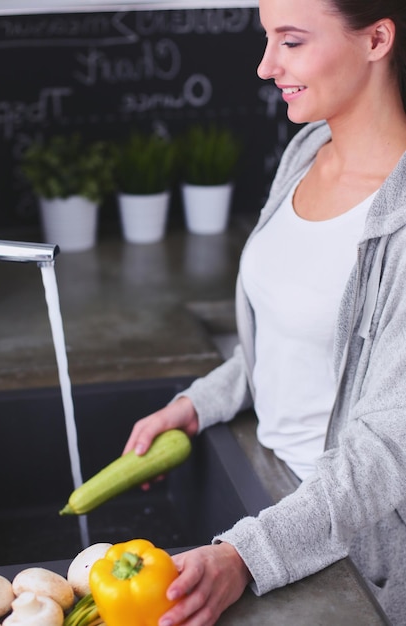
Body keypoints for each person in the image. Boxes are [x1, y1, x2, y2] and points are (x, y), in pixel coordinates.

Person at [123, 0, 406, 624]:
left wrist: (245, 557)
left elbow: (389, 446)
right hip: (273, 485)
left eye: (292, 41)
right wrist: (201, 400)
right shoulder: (306, 150)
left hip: (359, 546)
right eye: (267, 39)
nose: (265, 65)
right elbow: (292, 329)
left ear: (377, 39)